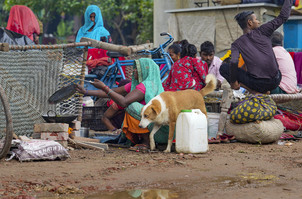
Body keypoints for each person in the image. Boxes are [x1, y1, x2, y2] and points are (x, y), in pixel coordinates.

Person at [76, 58, 164, 150]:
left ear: (145, 70)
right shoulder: (137, 84)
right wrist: (86, 92)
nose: (134, 71)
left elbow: (123, 102)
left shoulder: (146, 85)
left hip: (153, 123)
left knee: (132, 107)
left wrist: (104, 87)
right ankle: (141, 140)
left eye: (137, 69)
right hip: (151, 124)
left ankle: (146, 142)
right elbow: (113, 92)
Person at [219, 0, 292, 94]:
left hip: (257, 84)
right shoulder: (263, 30)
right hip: (276, 80)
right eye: (256, 19)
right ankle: (258, 91)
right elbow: (283, 16)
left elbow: (233, 61)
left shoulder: (236, 44)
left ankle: (253, 91)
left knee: (224, 68)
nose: (259, 21)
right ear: (250, 23)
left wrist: (233, 82)